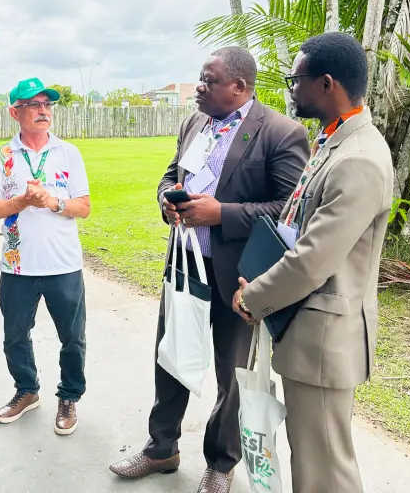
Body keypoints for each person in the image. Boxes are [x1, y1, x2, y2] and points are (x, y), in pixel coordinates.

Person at [110, 47, 309, 493]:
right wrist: (167, 199)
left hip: (238, 277)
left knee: (231, 374)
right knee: (171, 356)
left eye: (208, 80)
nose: (199, 88)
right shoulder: (195, 123)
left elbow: (289, 210)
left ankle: (221, 463)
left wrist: (222, 214)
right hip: (184, 263)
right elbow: (170, 175)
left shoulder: (281, 133)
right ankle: (161, 449)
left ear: (239, 87)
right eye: (200, 79)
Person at [233, 33, 393, 493]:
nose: (292, 89)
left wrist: (253, 296)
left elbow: (312, 260)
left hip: (324, 339)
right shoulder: (336, 141)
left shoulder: (358, 159)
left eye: (296, 79)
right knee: (311, 455)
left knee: (325, 467)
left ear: (326, 84)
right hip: (308, 330)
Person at [0, 77, 91, 436]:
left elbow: (84, 207)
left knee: (72, 337)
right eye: (33, 104)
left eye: (47, 104)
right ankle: (26, 391)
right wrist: (22, 201)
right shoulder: (1, 157)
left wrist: (52, 202)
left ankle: (69, 396)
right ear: (15, 112)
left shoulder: (68, 153)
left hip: (63, 263)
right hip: (17, 265)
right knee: (15, 336)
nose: (43, 110)